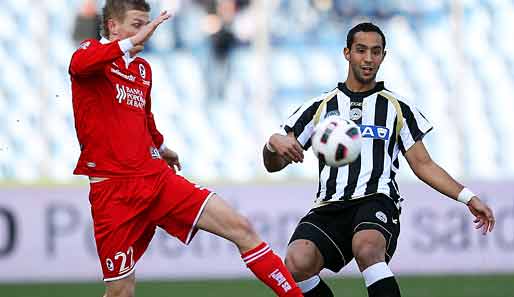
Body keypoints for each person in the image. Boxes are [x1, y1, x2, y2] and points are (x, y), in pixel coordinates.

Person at [68, 1, 302, 296]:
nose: (147, 33)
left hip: (156, 180)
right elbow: (78, 66)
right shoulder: (89, 54)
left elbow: (144, 116)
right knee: (121, 292)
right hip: (114, 192)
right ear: (113, 26)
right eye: (137, 25)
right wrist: (127, 44)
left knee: (241, 228)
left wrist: (161, 145)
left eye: (147, 24)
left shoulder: (142, 69)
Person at [262, 22, 495, 297]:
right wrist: (272, 144)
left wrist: (467, 197)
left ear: (384, 56)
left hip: (376, 199)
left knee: (368, 246)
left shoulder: (397, 107)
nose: (369, 58)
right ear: (347, 53)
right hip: (330, 205)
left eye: (376, 51)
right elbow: (273, 165)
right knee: (295, 263)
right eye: (361, 50)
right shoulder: (319, 108)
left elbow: (423, 164)